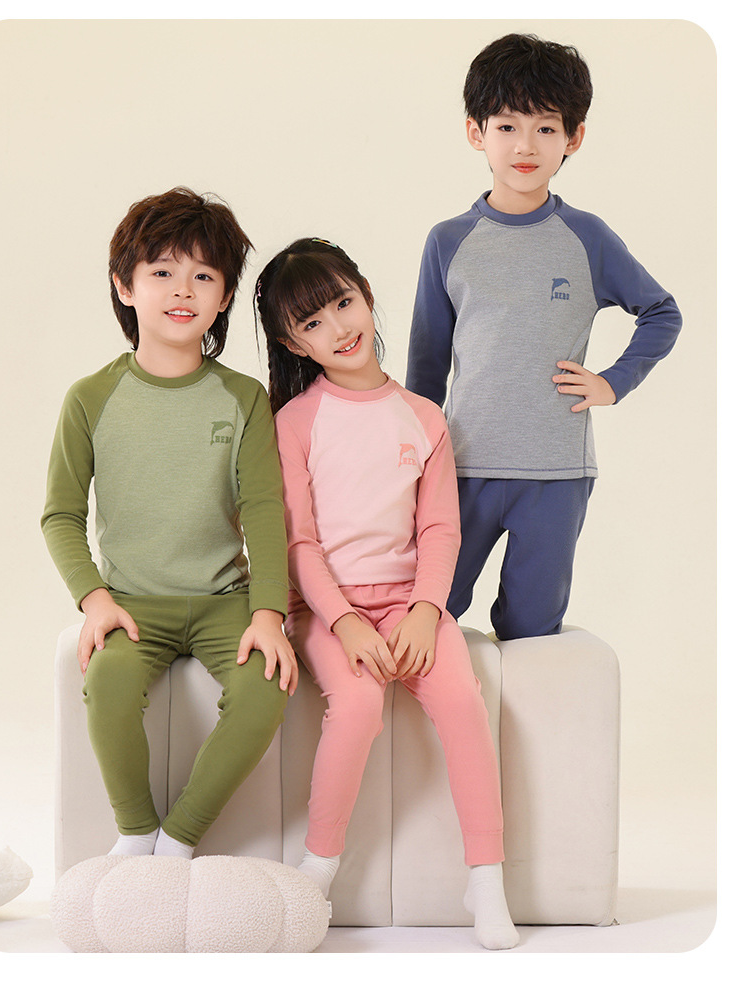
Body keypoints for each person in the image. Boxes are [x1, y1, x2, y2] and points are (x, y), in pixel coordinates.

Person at [255, 237, 518, 950]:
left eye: (344, 303)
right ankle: (318, 867)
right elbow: (299, 543)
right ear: (293, 343)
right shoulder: (294, 422)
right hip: (329, 611)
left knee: (463, 702)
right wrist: (345, 622)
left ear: (367, 295)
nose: (339, 328)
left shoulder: (424, 417)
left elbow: (439, 530)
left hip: (411, 603)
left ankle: (486, 877)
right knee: (359, 706)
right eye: (312, 323)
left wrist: (428, 612)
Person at [41, 187, 298, 860]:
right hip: (131, 604)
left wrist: (268, 612)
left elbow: (264, 509)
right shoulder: (90, 398)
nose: (183, 290)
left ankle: (179, 838)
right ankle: (135, 834)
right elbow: (61, 514)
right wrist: (95, 600)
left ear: (224, 297)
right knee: (108, 683)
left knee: (266, 687)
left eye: (204, 276)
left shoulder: (243, 397)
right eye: (162, 271)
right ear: (125, 286)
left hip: (226, 603)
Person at [406, 33, 682, 637]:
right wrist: (413, 463)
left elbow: (662, 312)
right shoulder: (448, 241)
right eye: (507, 126)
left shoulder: (587, 237)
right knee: (426, 613)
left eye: (546, 128)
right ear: (476, 132)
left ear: (573, 138)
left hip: (557, 475)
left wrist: (614, 382)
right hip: (462, 469)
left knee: (532, 632)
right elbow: (426, 367)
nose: (525, 146)